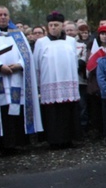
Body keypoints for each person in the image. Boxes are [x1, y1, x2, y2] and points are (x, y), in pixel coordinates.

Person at [0, 6, 43, 152]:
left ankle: (17, 143)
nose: (3, 17)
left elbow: (27, 55)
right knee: (2, 109)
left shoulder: (18, 34)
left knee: (15, 109)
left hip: (16, 77)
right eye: (0, 15)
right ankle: (0, 144)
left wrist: (19, 65)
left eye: (6, 15)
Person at [34, 11, 82, 149]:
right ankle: (54, 141)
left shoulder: (71, 41)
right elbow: (37, 64)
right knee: (53, 113)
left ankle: (68, 139)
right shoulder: (41, 42)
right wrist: (38, 84)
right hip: (49, 82)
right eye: (51, 25)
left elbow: (74, 61)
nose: (53, 27)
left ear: (62, 25)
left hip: (68, 83)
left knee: (68, 112)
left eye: (56, 25)